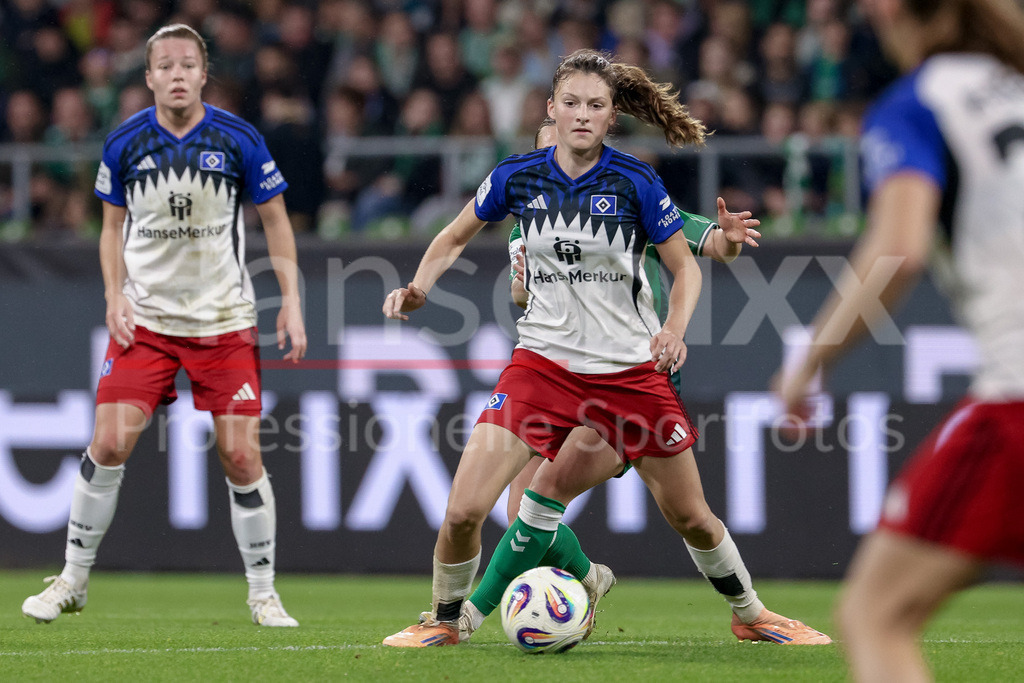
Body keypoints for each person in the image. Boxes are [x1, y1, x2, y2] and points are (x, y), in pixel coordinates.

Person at [382, 49, 830, 648]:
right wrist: (419, 287)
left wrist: (674, 326)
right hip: (542, 367)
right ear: (551, 110)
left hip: (628, 372)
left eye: (595, 105)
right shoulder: (518, 179)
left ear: (612, 115)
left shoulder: (635, 180)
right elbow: (454, 233)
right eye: (570, 103)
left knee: (689, 515)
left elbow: (690, 265)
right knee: (467, 508)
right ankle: (445, 620)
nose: (581, 115)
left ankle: (751, 615)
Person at [21, 24, 307, 628]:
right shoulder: (125, 141)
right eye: (165, 65)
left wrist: (291, 300)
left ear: (204, 74)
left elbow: (276, 220)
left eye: (188, 64)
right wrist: (113, 295)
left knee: (239, 456)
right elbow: (109, 228)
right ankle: (72, 580)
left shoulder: (238, 139)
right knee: (108, 442)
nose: (177, 74)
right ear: (148, 76)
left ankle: (263, 593)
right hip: (146, 321)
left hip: (224, 321)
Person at [773, 1, 1024, 679]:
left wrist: (809, 361)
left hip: (1018, 398)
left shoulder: (917, 104)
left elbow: (898, 249)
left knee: (875, 614)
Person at [449, 120, 764, 640]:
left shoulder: (625, 196)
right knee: (519, 510)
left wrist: (728, 240)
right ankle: (586, 579)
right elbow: (522, 299)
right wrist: (522, 288)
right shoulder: (522, 226)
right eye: (547, 152)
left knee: (679, 513)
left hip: (628, 377)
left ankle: (467, 616)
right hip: (557, 375)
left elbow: (708, 248)